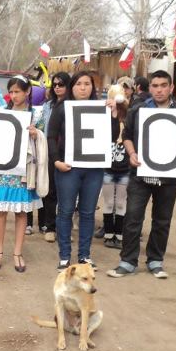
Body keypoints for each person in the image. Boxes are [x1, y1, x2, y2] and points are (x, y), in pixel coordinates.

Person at [107, 70, 176, 279]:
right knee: (133, 217)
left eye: (163, 85)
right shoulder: (138, 109)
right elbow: (127, 135)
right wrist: (131, 153)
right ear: (150, 88)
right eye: (155, 86)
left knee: (162, 220)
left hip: (168, 176)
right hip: (140, 173)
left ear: (171, 88)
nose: (159, 90)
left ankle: (155, 261)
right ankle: (127, 261)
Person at [47, 71, 119, 270]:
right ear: (72, 87)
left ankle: (85, 256)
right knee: (65, 211)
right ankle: (64, 257)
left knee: (87, 213)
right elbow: (51, 136)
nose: (83, 87)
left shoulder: (102, 108)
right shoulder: (62, 108)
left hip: (93, 170)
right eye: (79, 83)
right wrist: (56, 161)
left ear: (92, 87)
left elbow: (112, 137)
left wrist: (113, 115)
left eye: (87, 83)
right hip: (68, 168)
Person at [0, 76, 45, 274]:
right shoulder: (1, 113)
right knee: (0, 211)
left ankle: (17, 252)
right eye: (12, 91)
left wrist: (36, 134)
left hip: (24, 171)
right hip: (3, 169)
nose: (15, 95)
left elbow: (43, 140)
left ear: (27, 92)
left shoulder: (37, 115)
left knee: (21, 212)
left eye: (18, 91)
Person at [27, 71, 70, 241]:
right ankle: (49, 226)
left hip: (71, 152)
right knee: (50, 191)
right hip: (50, 151)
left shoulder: (75, 105)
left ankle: (63, 228)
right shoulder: (47, 106)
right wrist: (33, 130)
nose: (58, 87)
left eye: (62, 84)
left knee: (67, 194)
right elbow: (40, 125)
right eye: (55, 84)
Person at [97, 80, 132, 249]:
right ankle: (108, 234)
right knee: (109, 202)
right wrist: (110, 111)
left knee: (121, 203)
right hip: (107, 167)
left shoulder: (129, 115)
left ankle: (119, 235)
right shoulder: (104, 114)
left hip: (125, 167)